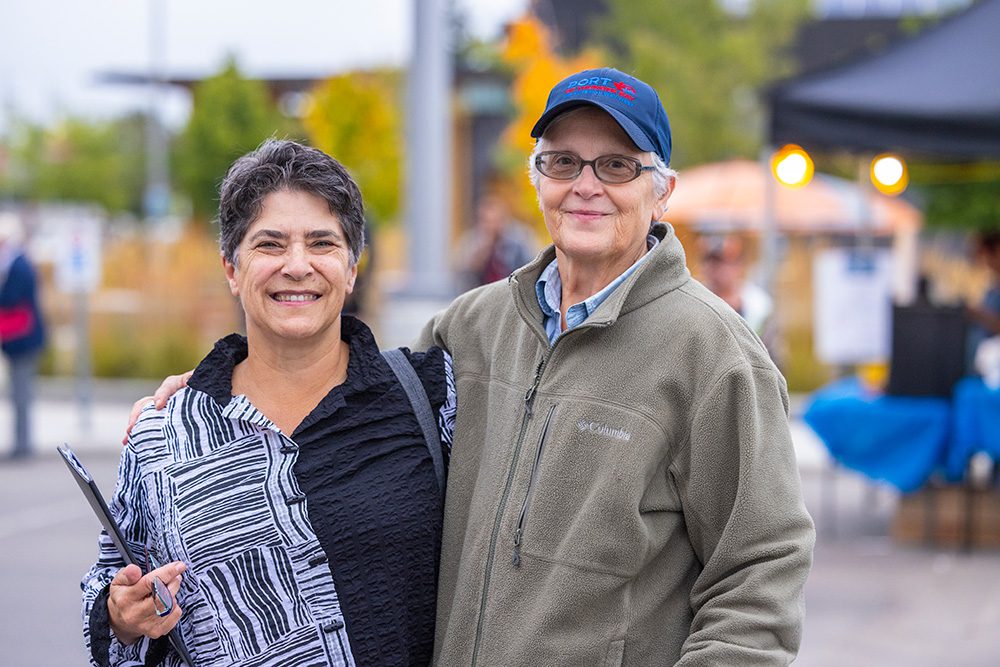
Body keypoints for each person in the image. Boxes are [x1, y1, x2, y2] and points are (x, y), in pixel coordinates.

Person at [141, 68, 815, 665]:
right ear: (537, 180)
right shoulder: (472, 327)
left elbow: (760, 570)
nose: (586, 186)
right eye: (563, 163)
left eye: (616, 166)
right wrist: (211, 392)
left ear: (660, 191)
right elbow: (341, 392)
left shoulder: (714, 352)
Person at [83, 140, 454, 667]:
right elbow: (107, 584)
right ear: (232, 269)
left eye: (322, 243)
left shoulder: (431, 398)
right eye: (270, 244)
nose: (297, 265)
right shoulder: (166, 433)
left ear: (352, 268)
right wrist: (120, 616)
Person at [0, 213, 46, 460]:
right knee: (20, 394)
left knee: (21, 394)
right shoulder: (17, 263)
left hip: (23, 340)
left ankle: (23, 445)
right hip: (21, 339)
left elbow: (12, 298)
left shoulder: (18, 265)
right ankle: (21, 442)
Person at [698, 233, 783, 365]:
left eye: (726, 262)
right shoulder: (695, 300)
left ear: (739, 265)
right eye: (714, 262)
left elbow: (774, 356)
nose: (720, 270)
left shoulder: (759, 305)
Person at [455, 193, 536, 290]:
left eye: (495, 220)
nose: (491, 226)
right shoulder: (472, 240)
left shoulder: (519, 239)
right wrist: (482, 252)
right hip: (481, 293)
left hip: (509, 293)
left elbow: (531, 266)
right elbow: (461, 272)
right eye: (486, 221)